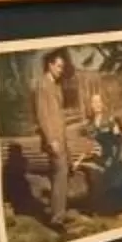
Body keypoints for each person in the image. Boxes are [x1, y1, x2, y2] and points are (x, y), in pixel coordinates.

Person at [30, 49, 78, 229]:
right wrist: (51, 140)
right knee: (60, 175)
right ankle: (56, 219)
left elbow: (58, 114)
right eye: (58, 66)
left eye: (62, 67)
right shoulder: (42, 86)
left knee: (61, 176)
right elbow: (43, 116)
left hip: (61, 137)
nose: (60, 70)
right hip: (54, 140)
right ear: (49, 65)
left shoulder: (55, 85)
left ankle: (59, 212)